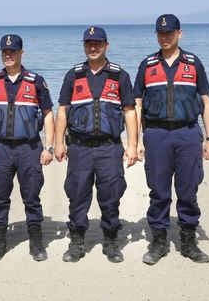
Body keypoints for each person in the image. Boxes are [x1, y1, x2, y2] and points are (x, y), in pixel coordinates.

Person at [134, 14, 209, 265]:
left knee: (188, 188)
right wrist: (136, 140)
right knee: (158, 190)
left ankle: (188, 241)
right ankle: (158, 241)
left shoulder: (193, 63)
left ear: (179, 33)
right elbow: (136, 103)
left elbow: (205, 101)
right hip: (157, 134)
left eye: (169, 32)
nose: (164, 37)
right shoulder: (147, 65)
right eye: (160, 33)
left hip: (188, 134)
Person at [54, 26, 138, 263]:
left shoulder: (119, 75)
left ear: (106, 46)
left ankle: (111, 241)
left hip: (109, 147)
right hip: (79, 147)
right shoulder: (74, 75)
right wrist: (58, 142)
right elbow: (63, 111)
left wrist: (133, 145)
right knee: (77, 194)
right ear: (84, 46)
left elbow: (130, 112)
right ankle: (77, 241)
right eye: (89, 43)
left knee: (111, 194)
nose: (93, 47)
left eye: (97, 43)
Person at [0, 34, 55, 263]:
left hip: (29, 148)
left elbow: (49, 114)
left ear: (22, 53)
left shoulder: (36, 81)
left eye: (13, 51)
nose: (8, 55)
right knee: (0, 196)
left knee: (31, 196)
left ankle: (36, 240)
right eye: (4, 52)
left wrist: (49, 147)